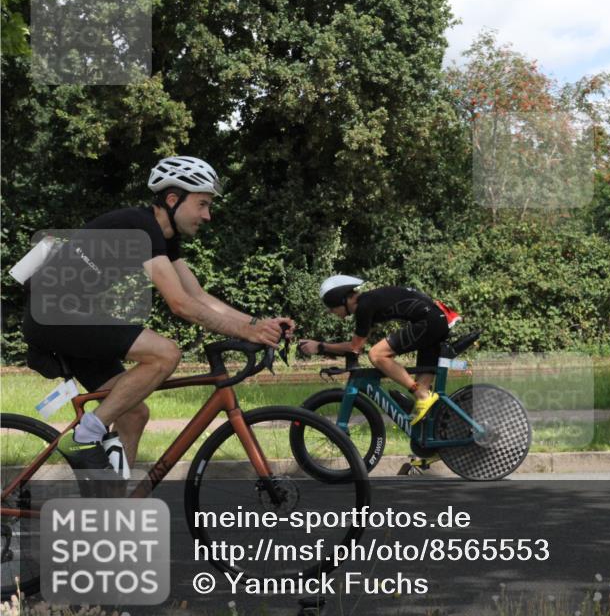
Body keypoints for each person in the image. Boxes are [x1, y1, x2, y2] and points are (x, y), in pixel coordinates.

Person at [21, 155, 295, 475]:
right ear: (172, 199)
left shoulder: (163, 237)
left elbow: (198, 295)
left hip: (70, 316)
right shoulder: (141, 226)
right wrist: (246, 332)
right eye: (203, 204)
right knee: (165, 353)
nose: (208, 215)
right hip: (54, 313)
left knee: (133, 414)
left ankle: (113, 509)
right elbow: (180, 304)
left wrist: (257, 325)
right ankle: (85, 437)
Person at [298, 276, 459, 424]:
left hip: (429, 323)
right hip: (435, 320)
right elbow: (357, 347)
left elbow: (355, 347)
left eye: (332, 308)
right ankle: (429, 448)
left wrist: (320, 346)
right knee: (424, 406)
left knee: (377, 355)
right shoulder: (369, 301)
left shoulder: (364, 306)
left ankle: (421, 394)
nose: (332, 313)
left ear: (342, 299)